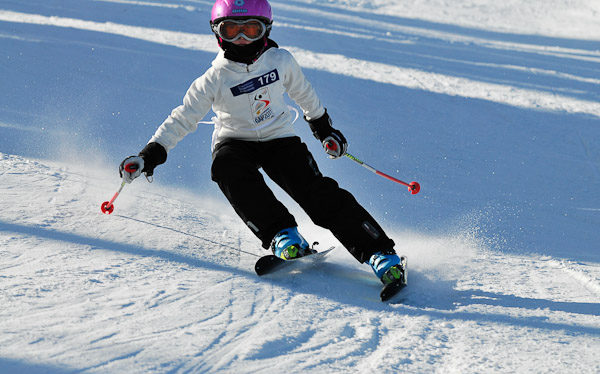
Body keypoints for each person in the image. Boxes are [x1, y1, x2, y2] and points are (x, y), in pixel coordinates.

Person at [119, 0, 406, 286]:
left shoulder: (280, 61)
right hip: (234, 141)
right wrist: (149, 155)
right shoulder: (213, 79)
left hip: (279, 138)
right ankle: (283, 235)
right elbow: (182, 118)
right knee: (226, 168)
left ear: (266, 30)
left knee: (315, 193)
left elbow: (304, 93)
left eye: (251, 30)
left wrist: (324, 129)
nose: (242, 39)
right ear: (217, 33)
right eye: (231, 29)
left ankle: (381, 254)